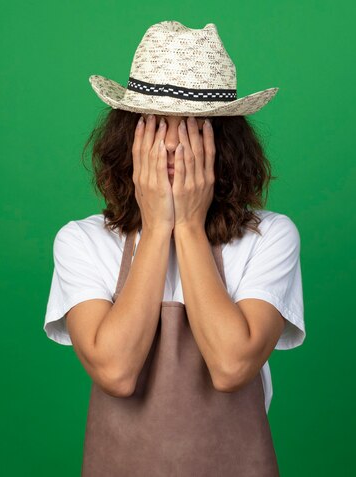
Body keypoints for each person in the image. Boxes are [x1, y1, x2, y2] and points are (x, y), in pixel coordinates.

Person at [43, 20, 305, 477]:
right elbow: (116, 372)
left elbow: (230, 365)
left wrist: (186, 223)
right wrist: (158, 222)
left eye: (194, 126)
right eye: (157, 122)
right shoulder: (81, 241)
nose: (171, 143)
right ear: (128, 134)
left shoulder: (271, 236)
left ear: (224, 141)